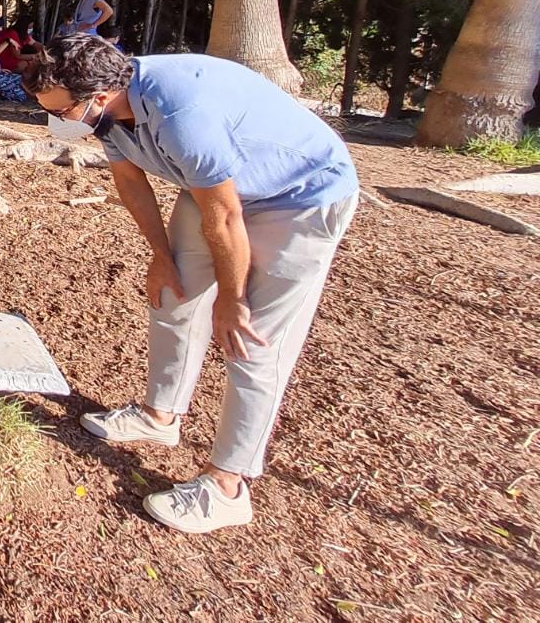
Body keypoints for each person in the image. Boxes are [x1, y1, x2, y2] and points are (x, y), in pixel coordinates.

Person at [22, 34, 360, 535]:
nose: (59, 120)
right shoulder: (108, 109)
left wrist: (232, 296)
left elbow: (224, 219)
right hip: (221, 194)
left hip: (299, 199)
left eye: (63, 110)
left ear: (96, 95)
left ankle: (229, 485)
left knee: (250, 340)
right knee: (172, 294)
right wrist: (161, 256)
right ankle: (160, 416)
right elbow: (131, 181)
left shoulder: (183, 114)